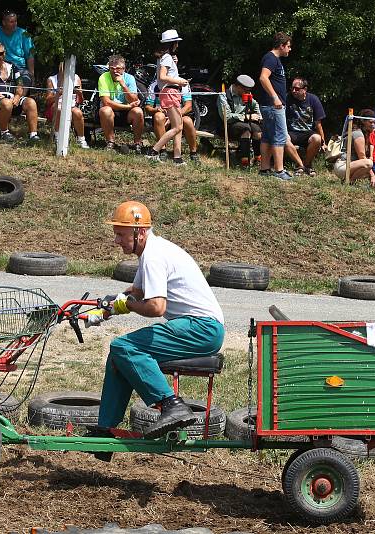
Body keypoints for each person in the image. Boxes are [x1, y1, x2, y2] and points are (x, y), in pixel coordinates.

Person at [85, 201, 225, 448]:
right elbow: (136, 292)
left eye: (121, 234)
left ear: (139, 232)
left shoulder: (153, 256)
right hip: (197, 327)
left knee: (124, 347)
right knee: (119, 355)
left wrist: (126, 305)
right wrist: (106, 307)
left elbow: (156, 307)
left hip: (202, 329)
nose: (116, 241)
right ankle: (106, 428)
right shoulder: (152, 251)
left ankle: (171, 405)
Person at [143, 52, 200, 164]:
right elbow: (148, 107)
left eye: (175, 60)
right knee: (175, 125)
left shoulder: (180, 81)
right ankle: (155, 151)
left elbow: (188, 106)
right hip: (168, 99)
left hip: (174, 105)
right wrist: (157, 110)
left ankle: (179, 157)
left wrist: (173, 117)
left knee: (180, 123)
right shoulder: (167, 81)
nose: (174, 62)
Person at [143, 30, 188, 166]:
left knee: (177, 126)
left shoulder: (165, 58)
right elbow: (162, 77)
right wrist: (180, 82)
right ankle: (154, 151)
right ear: (173, 43)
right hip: (170, 92)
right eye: (177, 43)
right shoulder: (167, 58)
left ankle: (177, 157)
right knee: (177, 127)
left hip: (170, 92)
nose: (178, 45)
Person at [256, 32, 293, 180]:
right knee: (280, 136)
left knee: (267, 137)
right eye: (288, 46)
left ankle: (264, 169)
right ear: (281, 45)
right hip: (273, 106)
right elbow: (263, 78)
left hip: (270, 105)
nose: (289, 49)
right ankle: (279, 171)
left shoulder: (273, 59)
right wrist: (275, 97)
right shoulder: (271, 58)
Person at [97, 55, 145, 151]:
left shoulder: (130, 78)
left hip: (127, 113)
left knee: (138, 111)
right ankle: (110, 142)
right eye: (112, 68)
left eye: (118, 68)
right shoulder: (103, 77)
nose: (115, 71)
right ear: (109, 68)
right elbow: (106, 102)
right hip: (111, 111)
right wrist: (127, 107)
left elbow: (133, 100)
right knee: (105, 110)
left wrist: (123, 85)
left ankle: (137, 143)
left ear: (123, 69)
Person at [284, 77, 325, 177]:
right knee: (283, 139)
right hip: (292, 131)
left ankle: (307, 164)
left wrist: (323, 142)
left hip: (307, 132)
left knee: (317, 139)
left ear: (304, 89)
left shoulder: (313, 99)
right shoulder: (287, 98)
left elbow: (318, 123)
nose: (294, 91)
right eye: (292, 88)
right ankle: (300, 165)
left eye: (297, 89)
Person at [218, 74, 262, 167]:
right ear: (238, 86)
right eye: (246, 90)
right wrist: (246, 117)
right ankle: (244, 161)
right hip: (227, 126)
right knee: (245, 129)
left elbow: (255, 104)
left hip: (243, 122)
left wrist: (259, 116)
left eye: (249, 91)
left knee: (257, 130)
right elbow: (226, 117)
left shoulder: (246, 94)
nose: (248, 93)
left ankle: (258, 158)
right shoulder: (223, 96)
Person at [0, 11, 34, 92]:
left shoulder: (24, 34)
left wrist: (32, 74)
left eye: (15, 21)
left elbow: (30, 55)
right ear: (4, 22)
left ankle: (18, 101)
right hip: (1, 66)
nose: (14, 24)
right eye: (11, 22)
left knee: (25, 82)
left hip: (20, 68)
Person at [45, 62, 89, 148]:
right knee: (59, 109)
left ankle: (81, 139)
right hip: (55, 106)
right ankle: (58, 137)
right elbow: (48, 101)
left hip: (71, 106)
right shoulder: (51, 79)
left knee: (78, 112)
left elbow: (80, 101)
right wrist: (60, 92)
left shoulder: (76, 78)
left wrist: (79, 93)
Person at [333, 109, 374, 185]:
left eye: (374, 122)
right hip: (343, 165)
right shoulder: (358, 134)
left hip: (348, 165)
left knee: (369, 169)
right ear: (363, 122)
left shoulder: (362, 133)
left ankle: (348, 181)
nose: (373, 125)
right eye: (370, 122)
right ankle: (350, 182)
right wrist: (372, 176)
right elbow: (362, 157)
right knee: (369, 163)